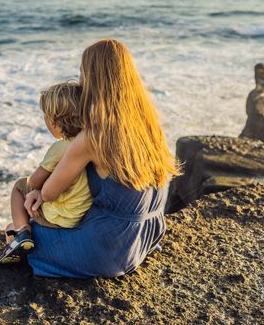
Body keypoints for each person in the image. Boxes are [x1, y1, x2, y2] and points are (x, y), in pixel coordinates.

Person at [23, 39, 181, 278]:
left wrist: (36, 193)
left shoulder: (93, 137)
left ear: (94, 79)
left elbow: (48, 192)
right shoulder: (148, 124)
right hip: (146, 236)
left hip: (105, 249)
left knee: (27, 236)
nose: (80, 82)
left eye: (82, 74)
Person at [0, 82, 93, 264]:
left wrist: (36, 188)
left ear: (55, 122)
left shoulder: (61, 148)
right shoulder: (89, 143)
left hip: (60, 217)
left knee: (19, 186)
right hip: (81, 213)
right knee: (11, 225)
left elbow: (34, 182)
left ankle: (22, 232)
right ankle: (17, 232)